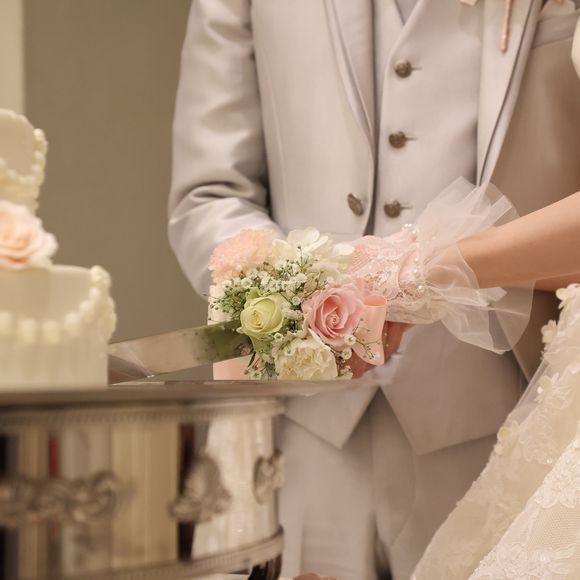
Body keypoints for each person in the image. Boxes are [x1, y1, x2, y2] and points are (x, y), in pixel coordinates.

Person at [168, 1, 580, 578]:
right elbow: (210, 195)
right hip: (305, 433)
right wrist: (293, 303)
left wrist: (416, 269)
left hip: (506, 412)